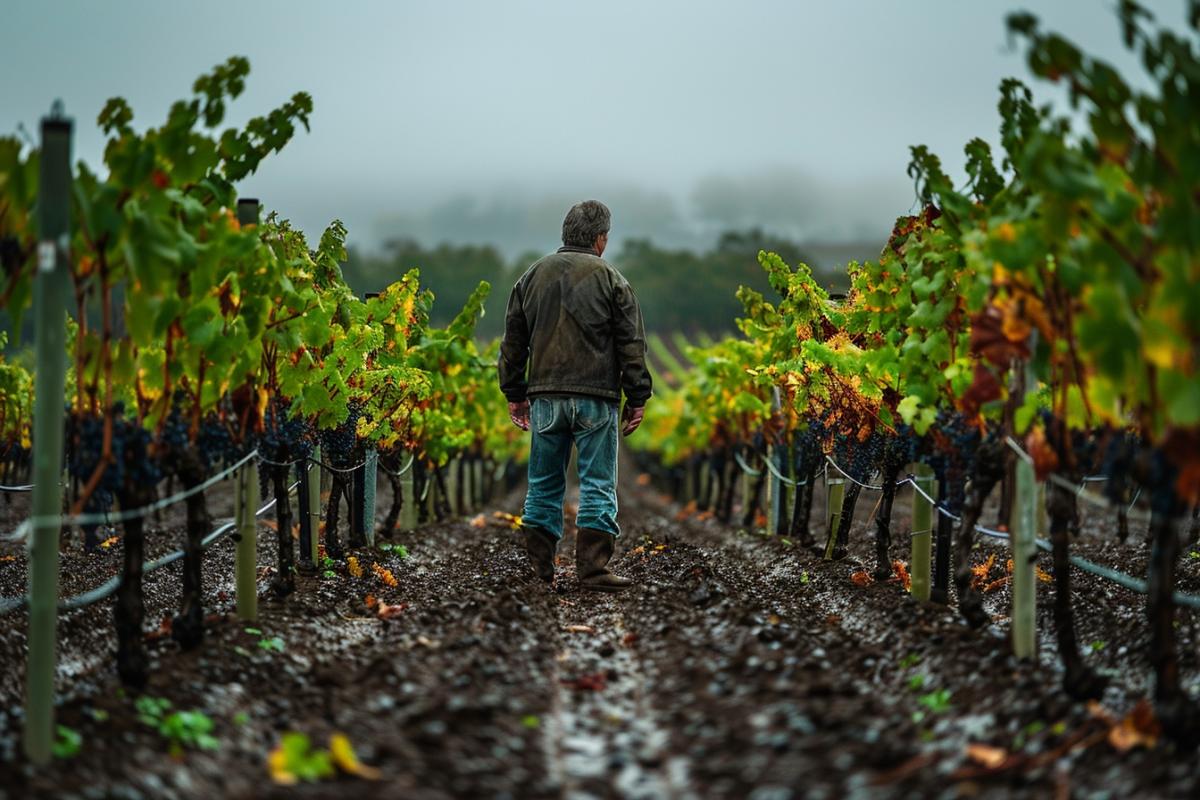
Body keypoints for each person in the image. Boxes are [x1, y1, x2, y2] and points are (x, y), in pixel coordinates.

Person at [498, 200, 652, 592]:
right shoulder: (612, 279)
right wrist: (637, 397)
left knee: (543, 483)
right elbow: (632, 343)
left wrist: (514, 393)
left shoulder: (532, 276)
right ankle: (593, 570)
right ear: (600, 239)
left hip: (546, 397)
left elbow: (513, 341)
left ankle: (540, 569)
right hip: (597, 398)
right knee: (597, 483)